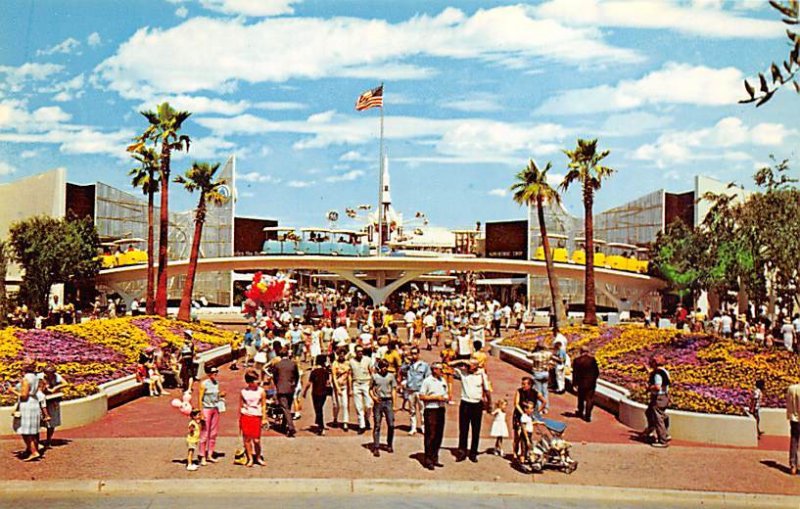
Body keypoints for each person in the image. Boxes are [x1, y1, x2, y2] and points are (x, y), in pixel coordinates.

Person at [450, 358, 491, 463]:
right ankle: (462, 452)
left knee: (476, 430)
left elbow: (487, 389)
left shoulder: (481, 374)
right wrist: (462, 361)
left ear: (476, 366)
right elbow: (448, 365)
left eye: (472, 365)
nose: (469, 367)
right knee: (463, 429)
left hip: (477, 404)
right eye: (469, 365)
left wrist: (489, 403)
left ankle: (473, 453)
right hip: (465, 403)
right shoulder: (463, 373)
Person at [13, 360, 49, 461]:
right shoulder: (35, 377)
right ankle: (32, 448)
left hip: (27, 404)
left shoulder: (26, 379)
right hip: (34, 403)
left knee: (25, 430)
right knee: (32, 429)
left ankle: (34, 451)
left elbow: (24, 395)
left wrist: (13, 391)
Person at [418, 362, 449, 470]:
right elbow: (421, 396)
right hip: (431, 409)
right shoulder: (427, 381)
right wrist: (436, 398)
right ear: (434, 370)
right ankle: (428, 459)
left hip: (441, 408)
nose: (442, 371)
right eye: (440, 369)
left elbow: (445, 392)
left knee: (438, 435)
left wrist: (446, 398)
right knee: (431, 434)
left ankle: (435, 457)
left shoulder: (442, 380)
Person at [369, 358, 397, 457]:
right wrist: (373, 397)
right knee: (377, 424)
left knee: (391, 424)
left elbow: (393, 390)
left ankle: (389, 444)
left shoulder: (391, 376)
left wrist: (394, 404)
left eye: (386, 367)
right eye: (382, 367)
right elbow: (371, 389)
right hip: (379, 401)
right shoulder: (375, 376)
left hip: (388, 401)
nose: (384, 369)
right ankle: (376, 447)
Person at [512, 377, 545, 459]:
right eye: (522, 384)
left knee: (527, 434)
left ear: (530, 385)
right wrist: (523, 413)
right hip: (519, 415)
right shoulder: (519, 391)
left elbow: (544, 402)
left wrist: (536, 412)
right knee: (517, 435)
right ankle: (515, 452)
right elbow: (516, 404)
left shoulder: (535, 393)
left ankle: (524, 452)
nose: (522, 386)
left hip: (529, 416)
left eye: (524, 384)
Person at [239, 370, 266, 467]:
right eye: (255, 380)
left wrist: (264, 418)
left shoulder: (261, 391)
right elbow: (241, 405)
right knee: (246, 439)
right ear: (249, 382)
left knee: (256, 440)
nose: (257, 382)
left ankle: (258, 457)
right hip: (246, 415)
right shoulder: (243, 392)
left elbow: (263, 405)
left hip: (256, 416)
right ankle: (250, 458)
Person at [197, 366, 224, 465]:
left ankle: (210, 454)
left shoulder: (216, 383)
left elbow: (216, 396)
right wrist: (201, 412)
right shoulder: (204, 384)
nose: (215, 374)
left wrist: (221, 395)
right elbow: (200, 398)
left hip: (215, 408)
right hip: (206, 409)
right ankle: (202, 455)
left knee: (213, 433)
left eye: (216, 372)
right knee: (204, 433)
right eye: (213, 372)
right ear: (208, 373)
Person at [401, 346, 430, 436]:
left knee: (422, 410)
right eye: (412, 353)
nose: (413, 355)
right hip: (410, 390)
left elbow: (427, 377)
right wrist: (406, 363)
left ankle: (423, 427)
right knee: (412, 410)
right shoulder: (409, 365)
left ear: (418, 354)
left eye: (415, 353)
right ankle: (413, 428)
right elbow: (402, 370)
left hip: (420, 390)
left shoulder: (424, 365)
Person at [643, 355, 671, 448]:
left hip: (659, 397)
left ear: (655, 363)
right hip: (665, 396)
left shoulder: (657, 374)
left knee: (658, 418)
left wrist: (649, 388)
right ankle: (653, 430)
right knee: (650, 412)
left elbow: (657, 386)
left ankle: (662, 440)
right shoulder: (664, 372)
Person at [272, 347, 300, 437]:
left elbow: (274, 376)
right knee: (287, 407)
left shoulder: (277, 365)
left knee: (285, 408)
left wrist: (277, 385)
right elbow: (297, 375)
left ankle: (291, 427)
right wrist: (294, 384)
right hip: (290, 388)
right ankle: (284, 425)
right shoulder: (293, 364)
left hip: (281, 388)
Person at [39, 364, 68, 449]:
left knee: (52, 421)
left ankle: (48, 440)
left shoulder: (56, 376)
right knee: (39, 420)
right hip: (42, 400)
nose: (50, 375)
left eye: (51, 373)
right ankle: (36, 441)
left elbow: (65, 383)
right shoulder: (40, 377)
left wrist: (55, 388)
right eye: (48, 373)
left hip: (53, 400)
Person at [303, 354, 332, 435]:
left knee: (318, 410)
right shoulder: (326, 372)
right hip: (324, 393)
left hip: (315, 393)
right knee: (320, 409)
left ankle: (321, 426)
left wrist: (304, 391)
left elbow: (309, 383)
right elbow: (328, 382)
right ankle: (319, 423)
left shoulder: (314, 372)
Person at [572, 346, 600, 422]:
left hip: (581, 383)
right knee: (589, 399)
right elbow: (597, 372)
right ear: (587, 351)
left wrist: (574, 383)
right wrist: (594, 379)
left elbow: (575, 373)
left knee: (580, 398)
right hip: (591, 383)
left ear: (581, 351)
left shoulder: (577, 361)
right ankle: (588, 415)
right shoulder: (592, 360)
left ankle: (580, 411)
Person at [349, 345, 373, 434]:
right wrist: (350, 388)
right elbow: (349, 375)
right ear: (355, 352)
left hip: (366, 382)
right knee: (358, 406)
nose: (360, 353)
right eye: (358, 351)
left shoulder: (367, 360)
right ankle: (361, 425)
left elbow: (372, 371)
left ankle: (367, 418)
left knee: (369, 405)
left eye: (361, 351)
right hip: (356, 383)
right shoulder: (351, 361)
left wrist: (373, 384)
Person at [527, 340, 552, 412]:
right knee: (545, 391)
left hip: (537, 373)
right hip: (545, 373)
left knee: (538, 391)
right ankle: (546, 407)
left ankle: (539, 408)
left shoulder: (536, 354)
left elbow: (528, 355)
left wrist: (533, 350)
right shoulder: (548, 354)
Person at [331, 348, 351, 431]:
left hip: (345, 386)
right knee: (336, 405)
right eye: (340, 354)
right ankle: (335, 418)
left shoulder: (348, 364)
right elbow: (334, 376)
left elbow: (349, 376)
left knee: (345, 405)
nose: (342, 356)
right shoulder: (335, 363)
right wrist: (337, 388)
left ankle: (345, 422)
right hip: (336, 386)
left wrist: (350, 389)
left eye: (343, 354)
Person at [787, 382, 800, 475]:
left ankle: (793, 465)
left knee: (794, 441)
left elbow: (788, 403)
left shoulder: (791, 388)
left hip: (794, 418)